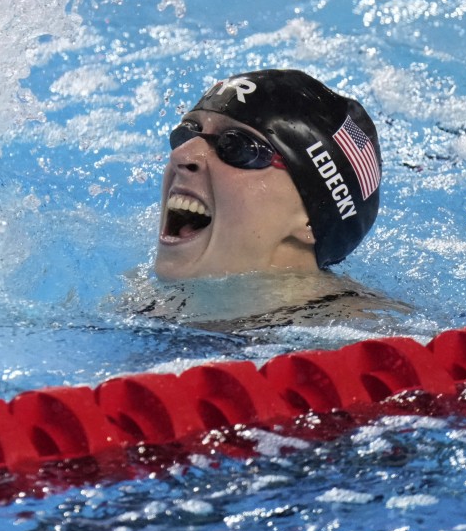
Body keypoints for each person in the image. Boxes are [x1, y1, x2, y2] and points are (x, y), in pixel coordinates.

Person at [127, 68, 407, 336]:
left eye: (235, 145)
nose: (181, 155)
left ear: (310, 217)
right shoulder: (139, 309)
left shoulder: (371, 338)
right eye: (188, 132)